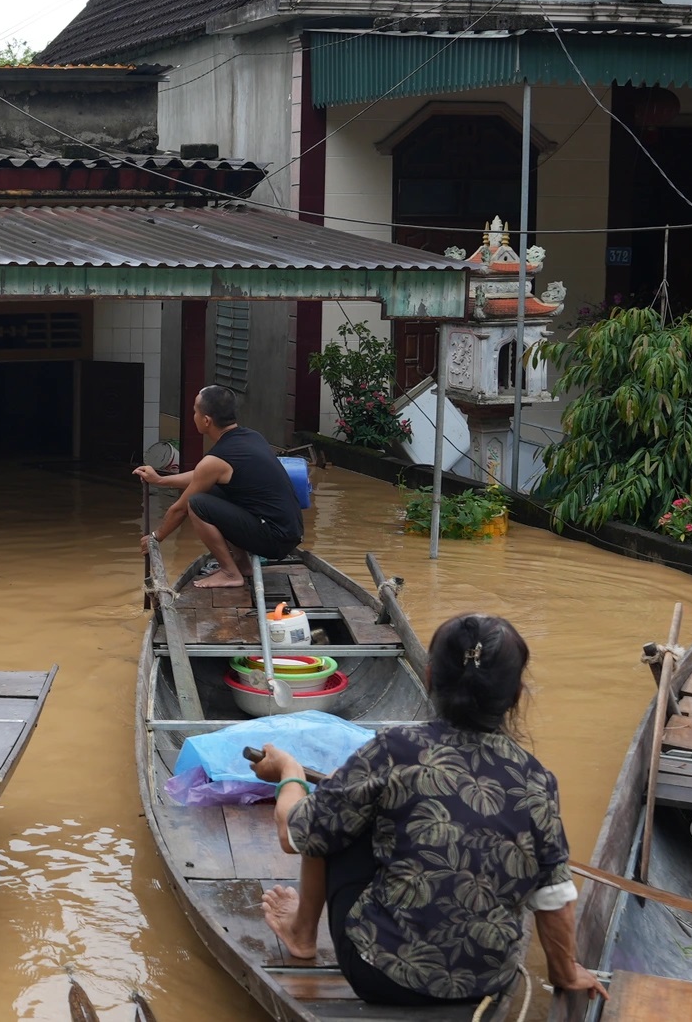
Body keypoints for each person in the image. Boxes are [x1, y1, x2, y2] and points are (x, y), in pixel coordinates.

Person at [250, 614, 609, 1007]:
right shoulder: (536, 779)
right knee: (347, 794)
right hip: (488, 981)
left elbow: (295, 834)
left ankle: (302, 934)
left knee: (333, 810)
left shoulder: (393, 749)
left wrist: (289, 772)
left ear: (428, 677)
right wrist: (565, 972)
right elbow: (555, 897)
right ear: (517, 695)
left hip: (379, 973)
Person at [133, 385, 302, 588]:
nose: (193, 415)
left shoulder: (216, 461)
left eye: (195, 411)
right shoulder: (251, 436)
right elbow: (201, 476)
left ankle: (231, 574)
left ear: (206, 420)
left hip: (276, 539)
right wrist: (160, 480)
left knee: (196, 504)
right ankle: (242, 565)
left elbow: (179, 508)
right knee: (213, 491)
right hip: (289, 532)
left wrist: (154, 538)